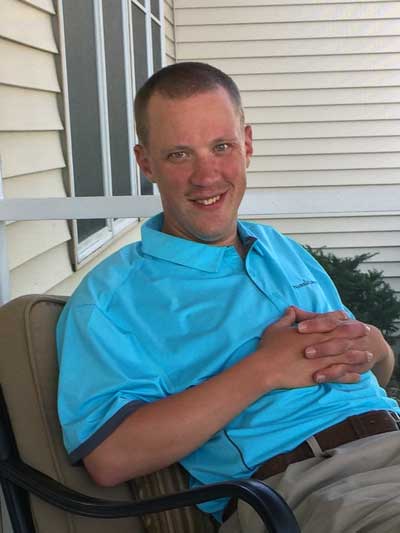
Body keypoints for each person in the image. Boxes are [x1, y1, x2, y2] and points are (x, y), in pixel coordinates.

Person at [56, 62, 400, 532]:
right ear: (146, 163)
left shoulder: (282, 249)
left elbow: (373, 371)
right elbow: (110, 457)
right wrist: (264, 370)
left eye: (222, 147)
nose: (207, 175)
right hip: (308, 488)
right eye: (179, 154)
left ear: (248, 145)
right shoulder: (112, 299)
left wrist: (374, 346)